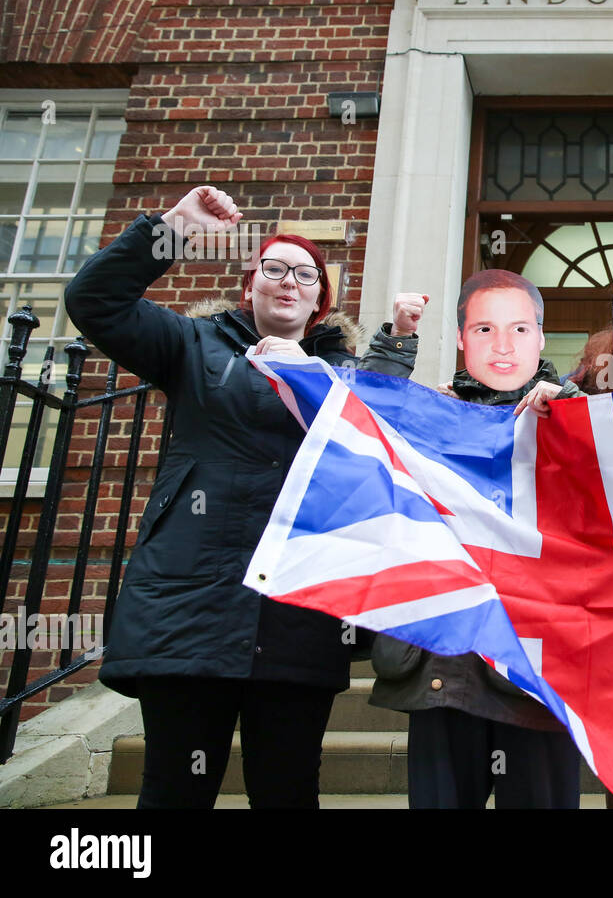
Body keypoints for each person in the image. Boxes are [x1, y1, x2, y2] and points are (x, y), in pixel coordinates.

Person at [63, 184, 427, 808]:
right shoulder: (192, 345)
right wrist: (171, 230)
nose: (288, 281)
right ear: (251, 284)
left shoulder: (338, 379)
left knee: (285, 789)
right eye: (274, 268)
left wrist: (386, 344)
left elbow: (379, 427)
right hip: (192, 603)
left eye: (305, 274)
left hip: (299, 612)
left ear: (320, 299)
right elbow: (93, 301)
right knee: (176, 788)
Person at [368, 267, 583, 809]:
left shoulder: (577, 415)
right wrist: (396, 340)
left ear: (540, 336)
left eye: (519, 328)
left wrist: (576, 410)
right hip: (443, 662)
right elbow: (357, 422)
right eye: (484, 330)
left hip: (538, 668)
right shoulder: (431, 415)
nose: (502, 344)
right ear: (463, 341)